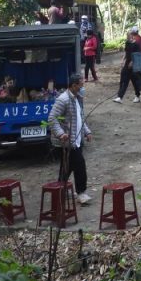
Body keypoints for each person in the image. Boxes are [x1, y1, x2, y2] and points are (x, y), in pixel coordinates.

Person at [48, 74, 93, 204]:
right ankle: (81, 193)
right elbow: (52, 118)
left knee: (67, 167)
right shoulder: (63, 100)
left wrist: (87, 131)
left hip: (76, 139)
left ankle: (61, 190)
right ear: (74, 85)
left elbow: (79, 117)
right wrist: (60, 133)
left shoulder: (77, 98)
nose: (82, 87)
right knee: (80, 165)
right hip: (67, 142)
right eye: (81, 85)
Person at [113, 28, 141, 103]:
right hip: (127, 64)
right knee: (124, 80)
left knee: (134, 81)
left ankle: (137, 96)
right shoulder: (127, 43)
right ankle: (120, 97)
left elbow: (137, 55)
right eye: (127, 36)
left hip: (134, 65)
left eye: (129, 35)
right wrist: (123, 60)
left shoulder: (136, 44)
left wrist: (132, 62)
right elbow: (126, 52)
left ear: (132, 36)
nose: (127, 37)